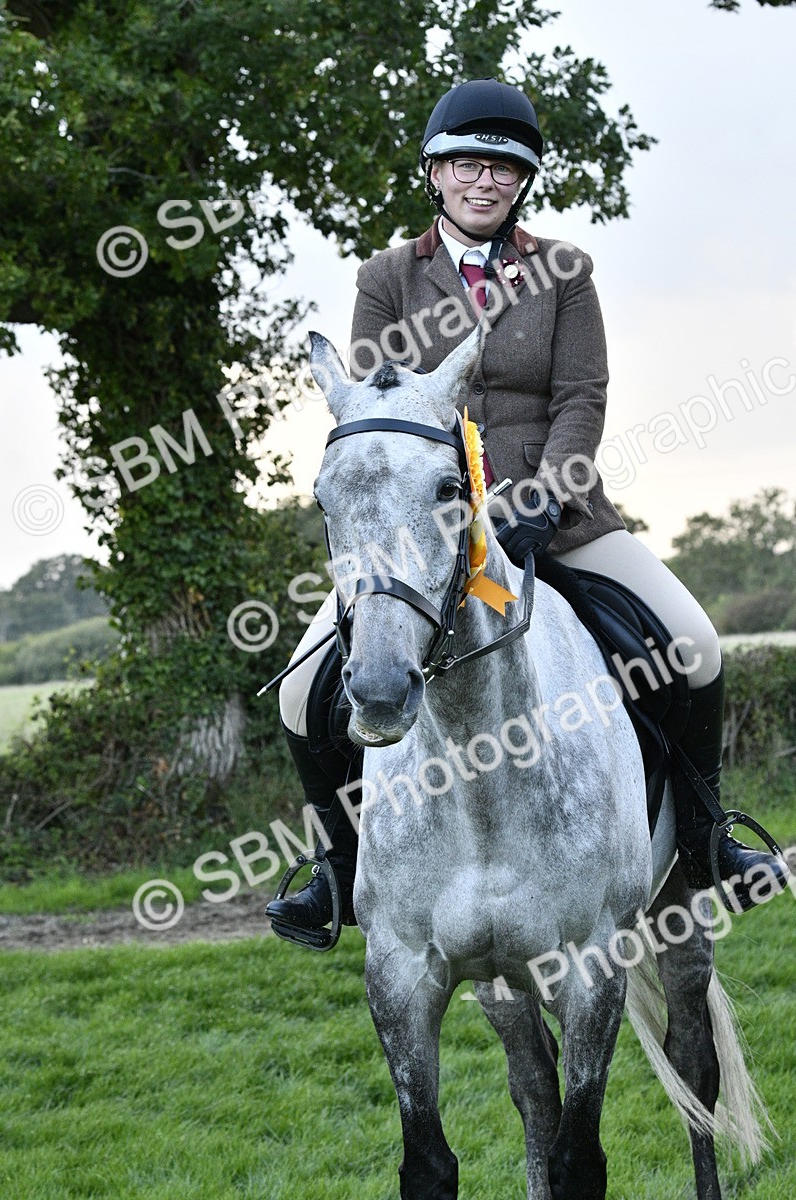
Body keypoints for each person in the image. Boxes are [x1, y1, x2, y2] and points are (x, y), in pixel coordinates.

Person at [266, 77, 787, 935]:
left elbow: (583, 394)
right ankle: (338, 871)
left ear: (522, 184)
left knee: (692, 644)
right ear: (434, 173)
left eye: (504, 170)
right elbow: (377, 405)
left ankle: (706, 840)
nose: (485, 181)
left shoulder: (563, 273)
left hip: (560, 516)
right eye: (467, 165)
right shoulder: (387, 277)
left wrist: (544, 494)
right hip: (423, 535)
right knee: (298, 695)